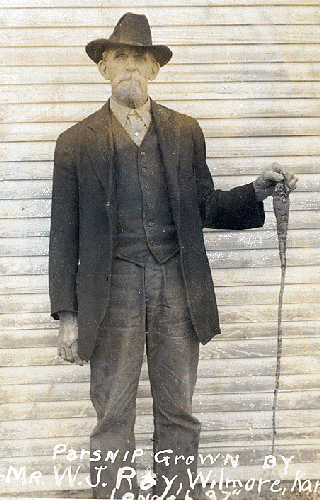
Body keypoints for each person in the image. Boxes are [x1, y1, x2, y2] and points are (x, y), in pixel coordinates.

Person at [49, 12, 298, 499]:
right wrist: (67, 316)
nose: (131, 68)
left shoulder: (185, 132)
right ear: (103, 66)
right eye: (120, 56)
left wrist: (256, 191)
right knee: (113, 413)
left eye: (142, 57)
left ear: (156, 69)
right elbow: (64, 236)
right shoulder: (75, 143)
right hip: (113, 290)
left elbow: (204, 206)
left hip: (177, 288)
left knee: (178, 410)